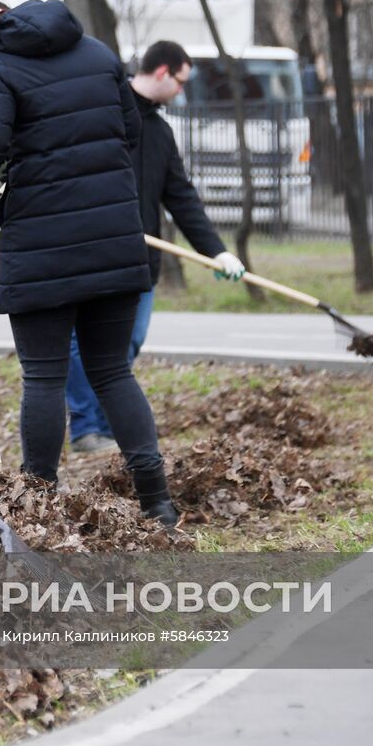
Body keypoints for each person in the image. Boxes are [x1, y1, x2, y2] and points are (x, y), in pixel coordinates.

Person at [0, 0, 179, 527]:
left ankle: (36, 504)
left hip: (42, 244)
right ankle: (158, 503)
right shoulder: (96, 51)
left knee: (44, 377)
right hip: (114, 235)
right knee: (113, 372)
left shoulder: (1, 66)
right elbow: (128, 134)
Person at [66, 41, 246, 455]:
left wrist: (215, 250)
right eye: (182, 81)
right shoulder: (104, 112)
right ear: (163, 72)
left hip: (141, 260)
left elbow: (180, 197)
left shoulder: (161, 132)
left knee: (128, 343)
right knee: (83, 344)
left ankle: (107, 422)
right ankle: (87, 428)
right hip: (96, 252)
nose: (183, 90)